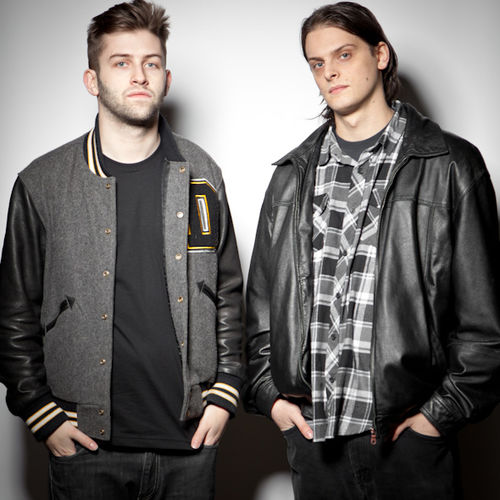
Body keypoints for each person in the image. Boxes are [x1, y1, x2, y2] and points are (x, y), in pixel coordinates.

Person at [245, 2, 500, 499]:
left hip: (411, 443)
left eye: (344, 54)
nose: (330, 71)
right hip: (315, 442)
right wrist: (273, 401)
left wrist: (438, 418)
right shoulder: (291, 178)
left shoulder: (451, 165)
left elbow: (485, 323)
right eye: (317, 63)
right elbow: (260, 312)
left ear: (380, 55)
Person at [0, 1, 243, 498]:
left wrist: (225, 394)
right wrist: (41, 413)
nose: (139, 75)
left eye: (151, 63)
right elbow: (13, 312)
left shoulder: (201, 173)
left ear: (166, 79)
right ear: (92, 80)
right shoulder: (42, 183)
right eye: (121, 62)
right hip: (86, 447)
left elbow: (227, 292)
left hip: (190, 440)